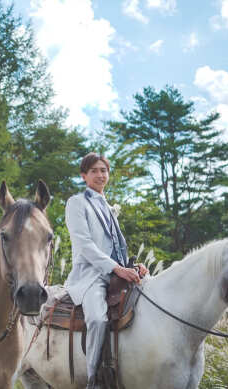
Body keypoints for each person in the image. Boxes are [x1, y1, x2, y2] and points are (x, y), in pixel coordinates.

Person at [64, 152, 148, 389]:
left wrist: (132, 266)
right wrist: (117, 269)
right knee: (98, 319)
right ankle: (94, 379)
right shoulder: (76, 203)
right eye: (94, 171)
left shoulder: (109, 207)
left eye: (104, 170)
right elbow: (85, 245)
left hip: (116, 273)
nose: (100, 175)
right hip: (91, 275)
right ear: (84, 176)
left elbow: (115, 246)